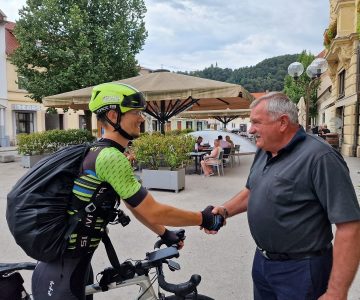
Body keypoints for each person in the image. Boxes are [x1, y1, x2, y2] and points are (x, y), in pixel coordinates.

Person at [31, 83, 223, 300]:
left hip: (70, 266)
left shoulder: (102, 152)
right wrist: (203, 218)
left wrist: (164, 233)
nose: (141, 118)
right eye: (135, 112)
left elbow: (135, 205)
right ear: (113, 115)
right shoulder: (110, 158)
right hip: (63, 274)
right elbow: (153, 210)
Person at [205, 92, 360, 300]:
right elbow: (252, 191)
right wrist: (224, 211)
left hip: (302, 270)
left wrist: (336, 292)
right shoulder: (265, 150)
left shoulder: (321, 157)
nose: (250, 130)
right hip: (262, 263)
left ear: (282, 122)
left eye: (256, 122)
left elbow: (350, 226)